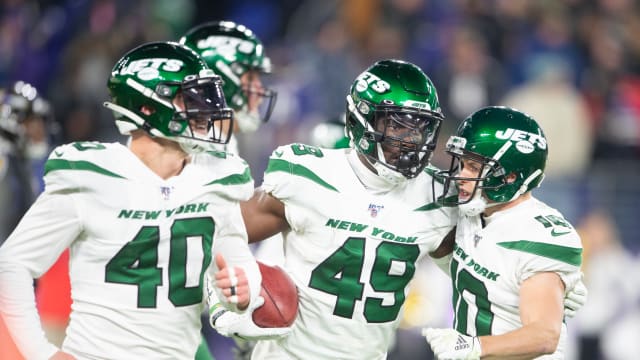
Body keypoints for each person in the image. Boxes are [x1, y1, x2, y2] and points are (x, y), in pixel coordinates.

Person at [0, 41, 262, 360]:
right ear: (148, 107)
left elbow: (236, 265)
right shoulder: (91, 175)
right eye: (189, 98)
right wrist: (40, 353)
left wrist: (242, 290)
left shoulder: (217, 176)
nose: (205, 110)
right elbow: (13, 264)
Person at [211, 59, 457, 359]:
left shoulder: (436, 197)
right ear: (361, 120)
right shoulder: (309, 175)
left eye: (419, 127)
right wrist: (221, 294)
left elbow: (480, 283)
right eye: (396, 125)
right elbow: (213, 231)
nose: (410, 140)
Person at [423, 106, 585, 359]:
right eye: (463, 163)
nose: (460, 176)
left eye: (474, 168)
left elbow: (544, 337)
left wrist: (472, 347)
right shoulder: (476, 212)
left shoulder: (536, 235)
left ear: (510, 177)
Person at [179, 20, 277, 155]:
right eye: (250, 78)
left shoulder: (223, 142)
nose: (260, 91)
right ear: (222, 78)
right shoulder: (192, 149)